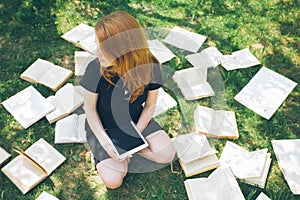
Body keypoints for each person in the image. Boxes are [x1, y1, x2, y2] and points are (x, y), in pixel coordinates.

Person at [80, 11, 176, 189]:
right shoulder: (95, 68)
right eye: (97, 44)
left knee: (167, 155)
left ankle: (132, 151)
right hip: (104, 126)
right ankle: (122, 156)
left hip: (135, 120)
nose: (97, 52)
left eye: (104, 47)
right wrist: (107, 144)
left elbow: (150, 105)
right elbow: (90, 110)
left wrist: (134, 136)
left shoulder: (150, 65)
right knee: (113, 181)